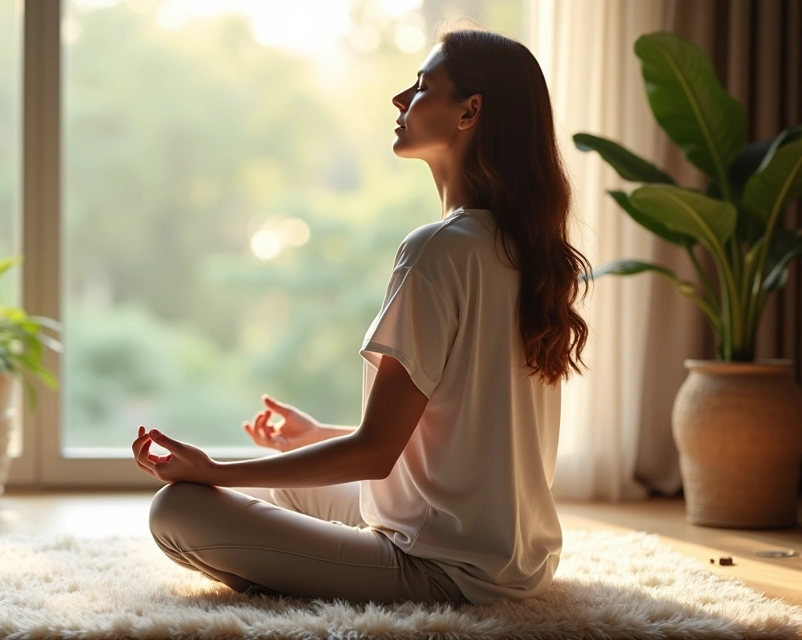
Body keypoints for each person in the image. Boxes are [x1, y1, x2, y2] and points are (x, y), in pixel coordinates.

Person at [130, 27, 590, 607]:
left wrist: (215, 471)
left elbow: (375, 454)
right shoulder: (528, 249)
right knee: (283, 484)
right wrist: (316, 436)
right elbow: (454, 441)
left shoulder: (438, 249)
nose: (401, 100)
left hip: (443, 571)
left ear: (470, 111)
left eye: (422, 87)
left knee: (178, 510)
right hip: (516, 561)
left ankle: (308, 582)